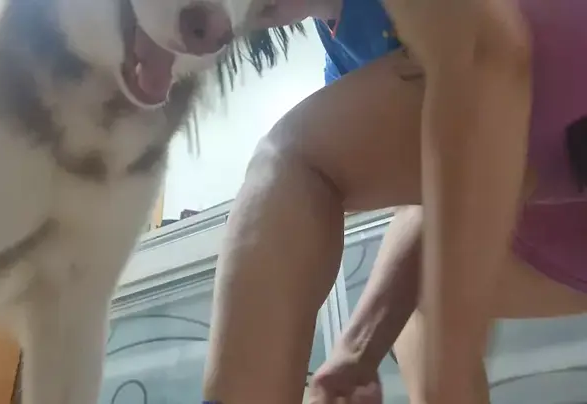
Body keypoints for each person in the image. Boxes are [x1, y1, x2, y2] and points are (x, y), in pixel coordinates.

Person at [201, 0, 587, 403]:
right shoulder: (343, 68)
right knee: (413, 313)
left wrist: (448, 371)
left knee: (287, 159)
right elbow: (438, 201)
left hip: (557, 133)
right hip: (563, 213)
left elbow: (487, 60)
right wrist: (356, 352)